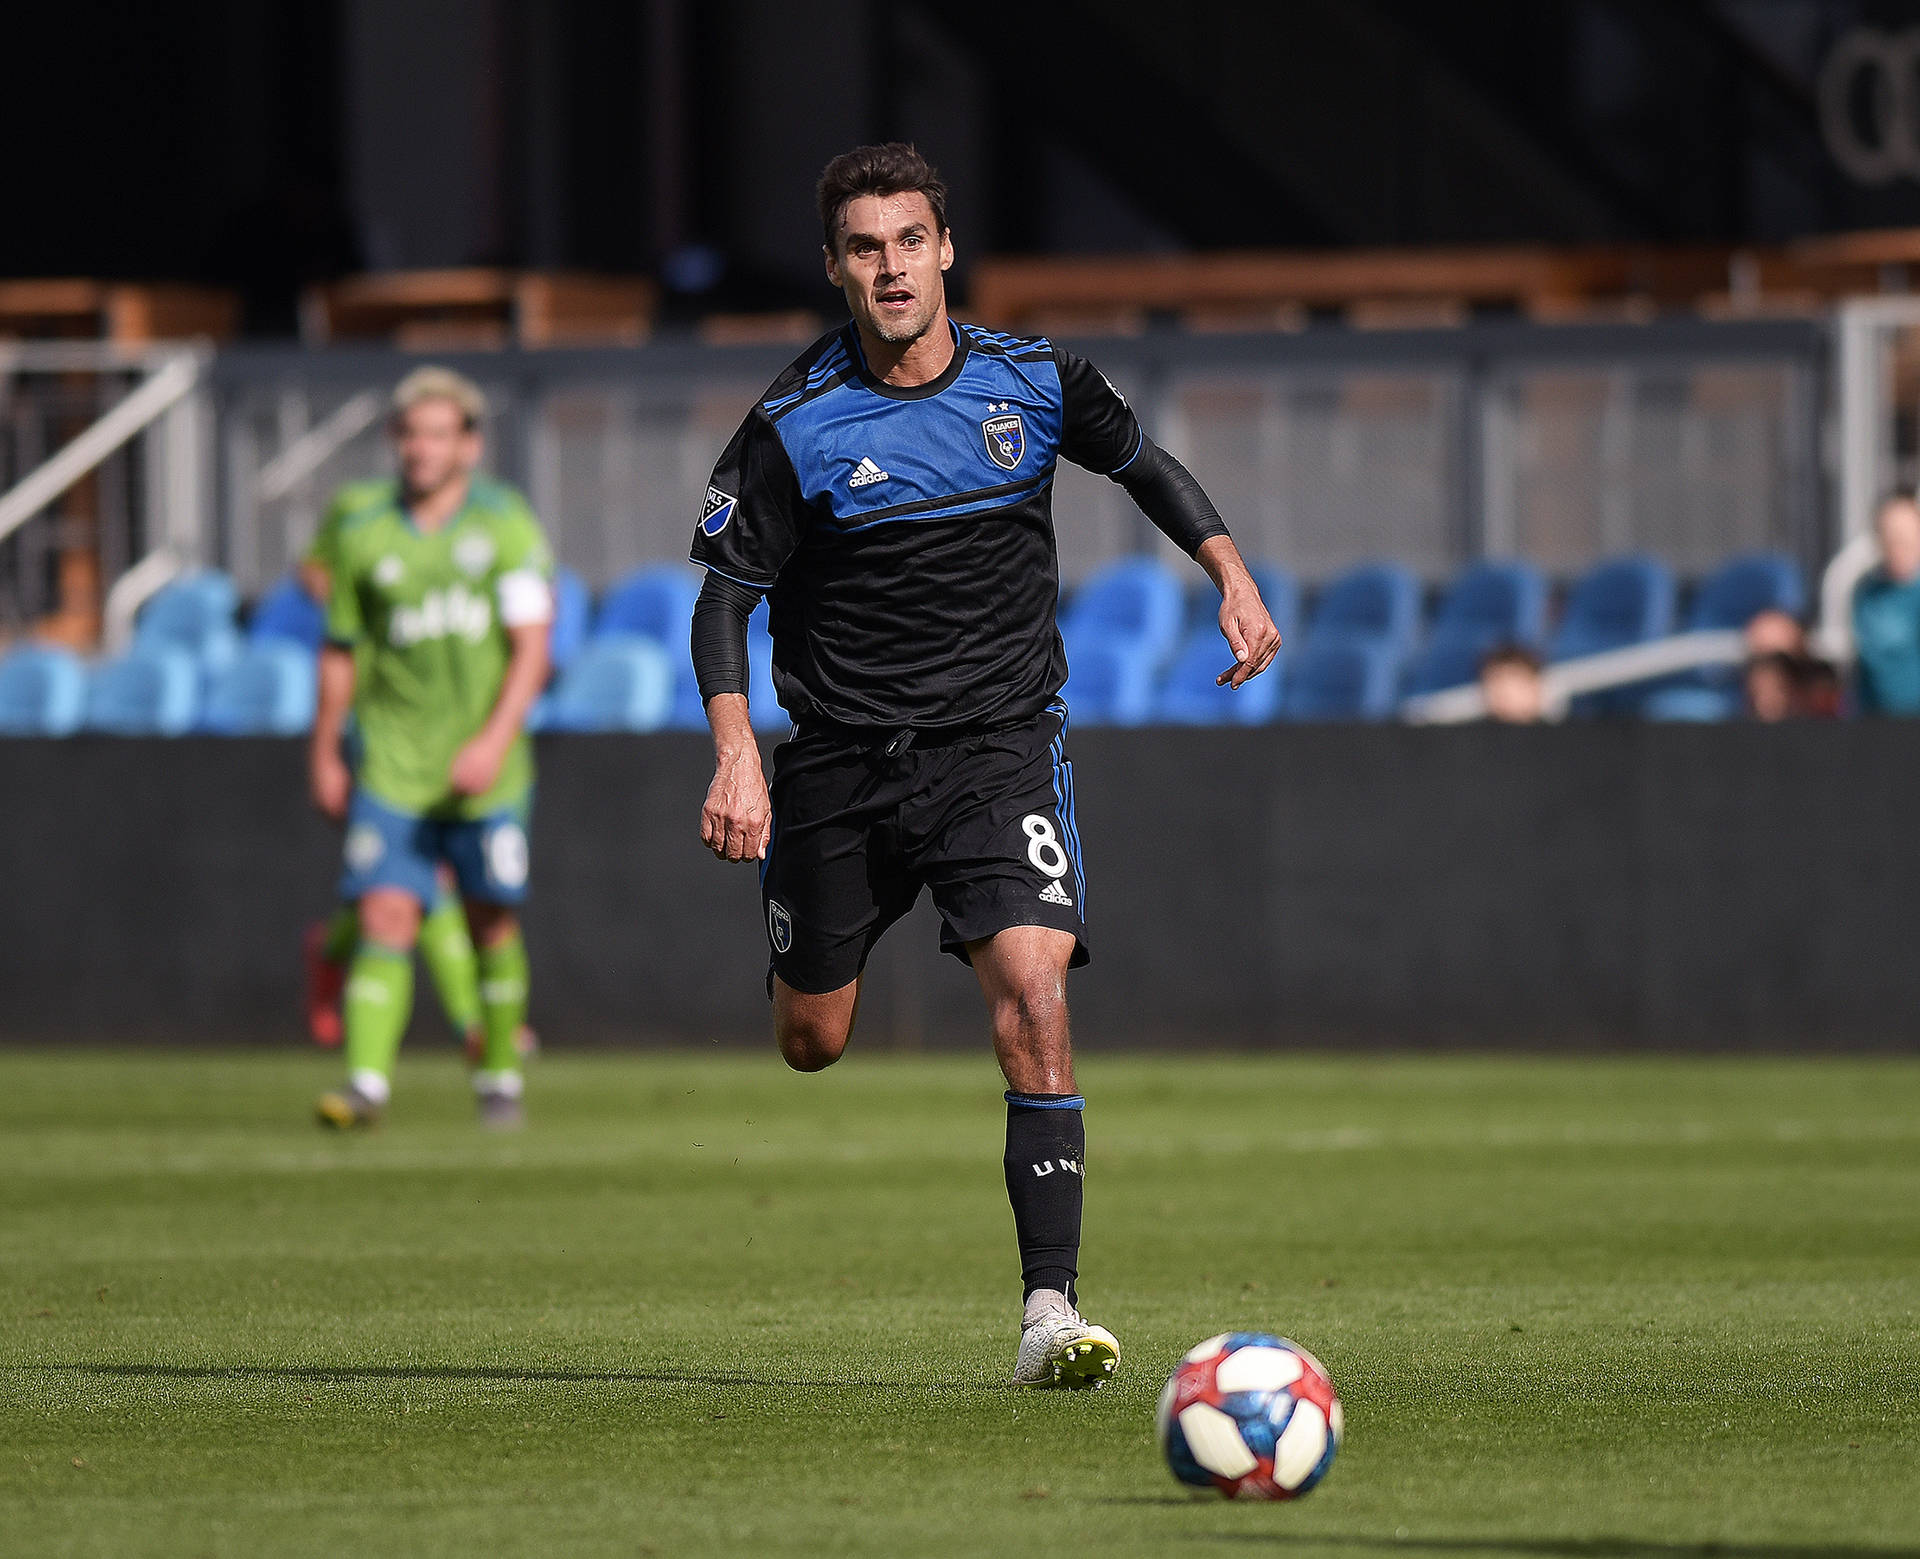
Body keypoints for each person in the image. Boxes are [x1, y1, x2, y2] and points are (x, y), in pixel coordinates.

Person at [688, 144, 1281, 1389]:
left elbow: (1147, 467)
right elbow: (723, 601)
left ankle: (1050, 1309)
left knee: (1035, 993)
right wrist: (740, 754)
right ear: (838, 268)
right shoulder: (794, 425)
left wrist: (1228, 572)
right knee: (812, 1038)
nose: (892, 267)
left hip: (998, 750)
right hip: (841, 763)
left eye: (911, 241)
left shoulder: (1035, 380)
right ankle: (813, 944)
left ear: (946, 249)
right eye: (865, 247)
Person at [309, 367, 554, 1129]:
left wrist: (491, 740)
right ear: (395, 441)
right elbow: (341, 648)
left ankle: (498, 1079)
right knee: (387, 914)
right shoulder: (361, 529)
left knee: (490, 924)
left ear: (469, 446)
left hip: (487, 770)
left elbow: (532, 648)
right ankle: (366, 1086)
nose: (421, 448)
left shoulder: (505, 524)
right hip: (391, 764)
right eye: (411, 433)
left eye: (439, 433)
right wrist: (324, 750)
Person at [299, 490, 486, 1057]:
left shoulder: (480, 511)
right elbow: (312, 571)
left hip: (449, 726)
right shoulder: (359, 510)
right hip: (382, 730)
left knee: (405, 882)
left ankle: (333, 946)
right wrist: (377, 602)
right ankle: (472, 1025)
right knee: (423, 875)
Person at [1852, 492, 1920, 715]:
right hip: (1877, 725)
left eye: (1904, 537)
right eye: (1890, 537)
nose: (1897, 546)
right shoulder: (1866, 593)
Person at [1478, 644, 1546, 724]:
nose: (1506, 699)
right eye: (1499, 692)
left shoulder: (1558, 732)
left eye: (1519, 687)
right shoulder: (1471, 733)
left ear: (1535, 686)